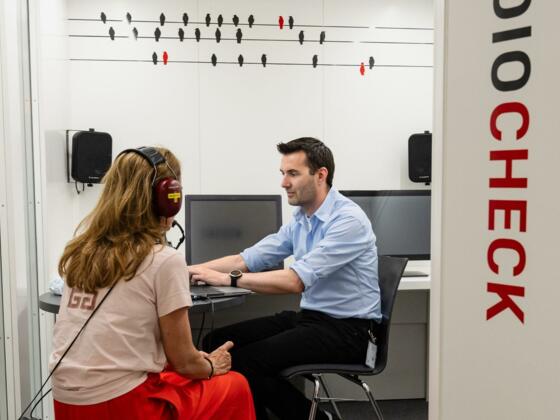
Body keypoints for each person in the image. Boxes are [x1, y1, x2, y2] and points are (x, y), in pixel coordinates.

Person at [49, 146, 255, 420]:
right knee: (234, 385)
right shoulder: (164, 260)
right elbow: (184, 362)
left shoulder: (80, 252)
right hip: (122, 404)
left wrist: (193, 361)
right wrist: (210, 365)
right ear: (167, 198)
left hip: (67, 403)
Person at [189, 137, 380, 420]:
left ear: (321, 175)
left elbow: (295, 281)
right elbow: (245, 260)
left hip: (349, 332)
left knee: (243, 362)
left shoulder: (348, 220)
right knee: (215, 341)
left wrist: (228, 279)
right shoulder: (302, 218)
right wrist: (186, 271)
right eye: (283, 173)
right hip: (313, 319)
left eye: (293, 174)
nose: (284, 183)